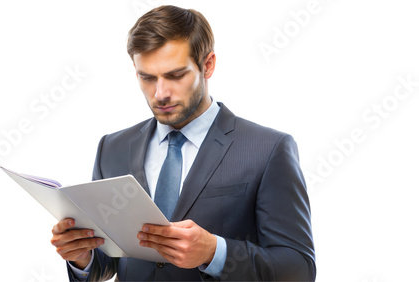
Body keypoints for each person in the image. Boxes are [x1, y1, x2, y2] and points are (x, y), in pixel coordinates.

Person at [50, 5, 316, 281]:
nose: (161, 93)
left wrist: (214, 253)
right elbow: (112, 261)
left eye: (176, 75)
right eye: (147, 77)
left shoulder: (268, 149)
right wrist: (83, 257)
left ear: (208, 65)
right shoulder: (112, 148)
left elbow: (299, 270)